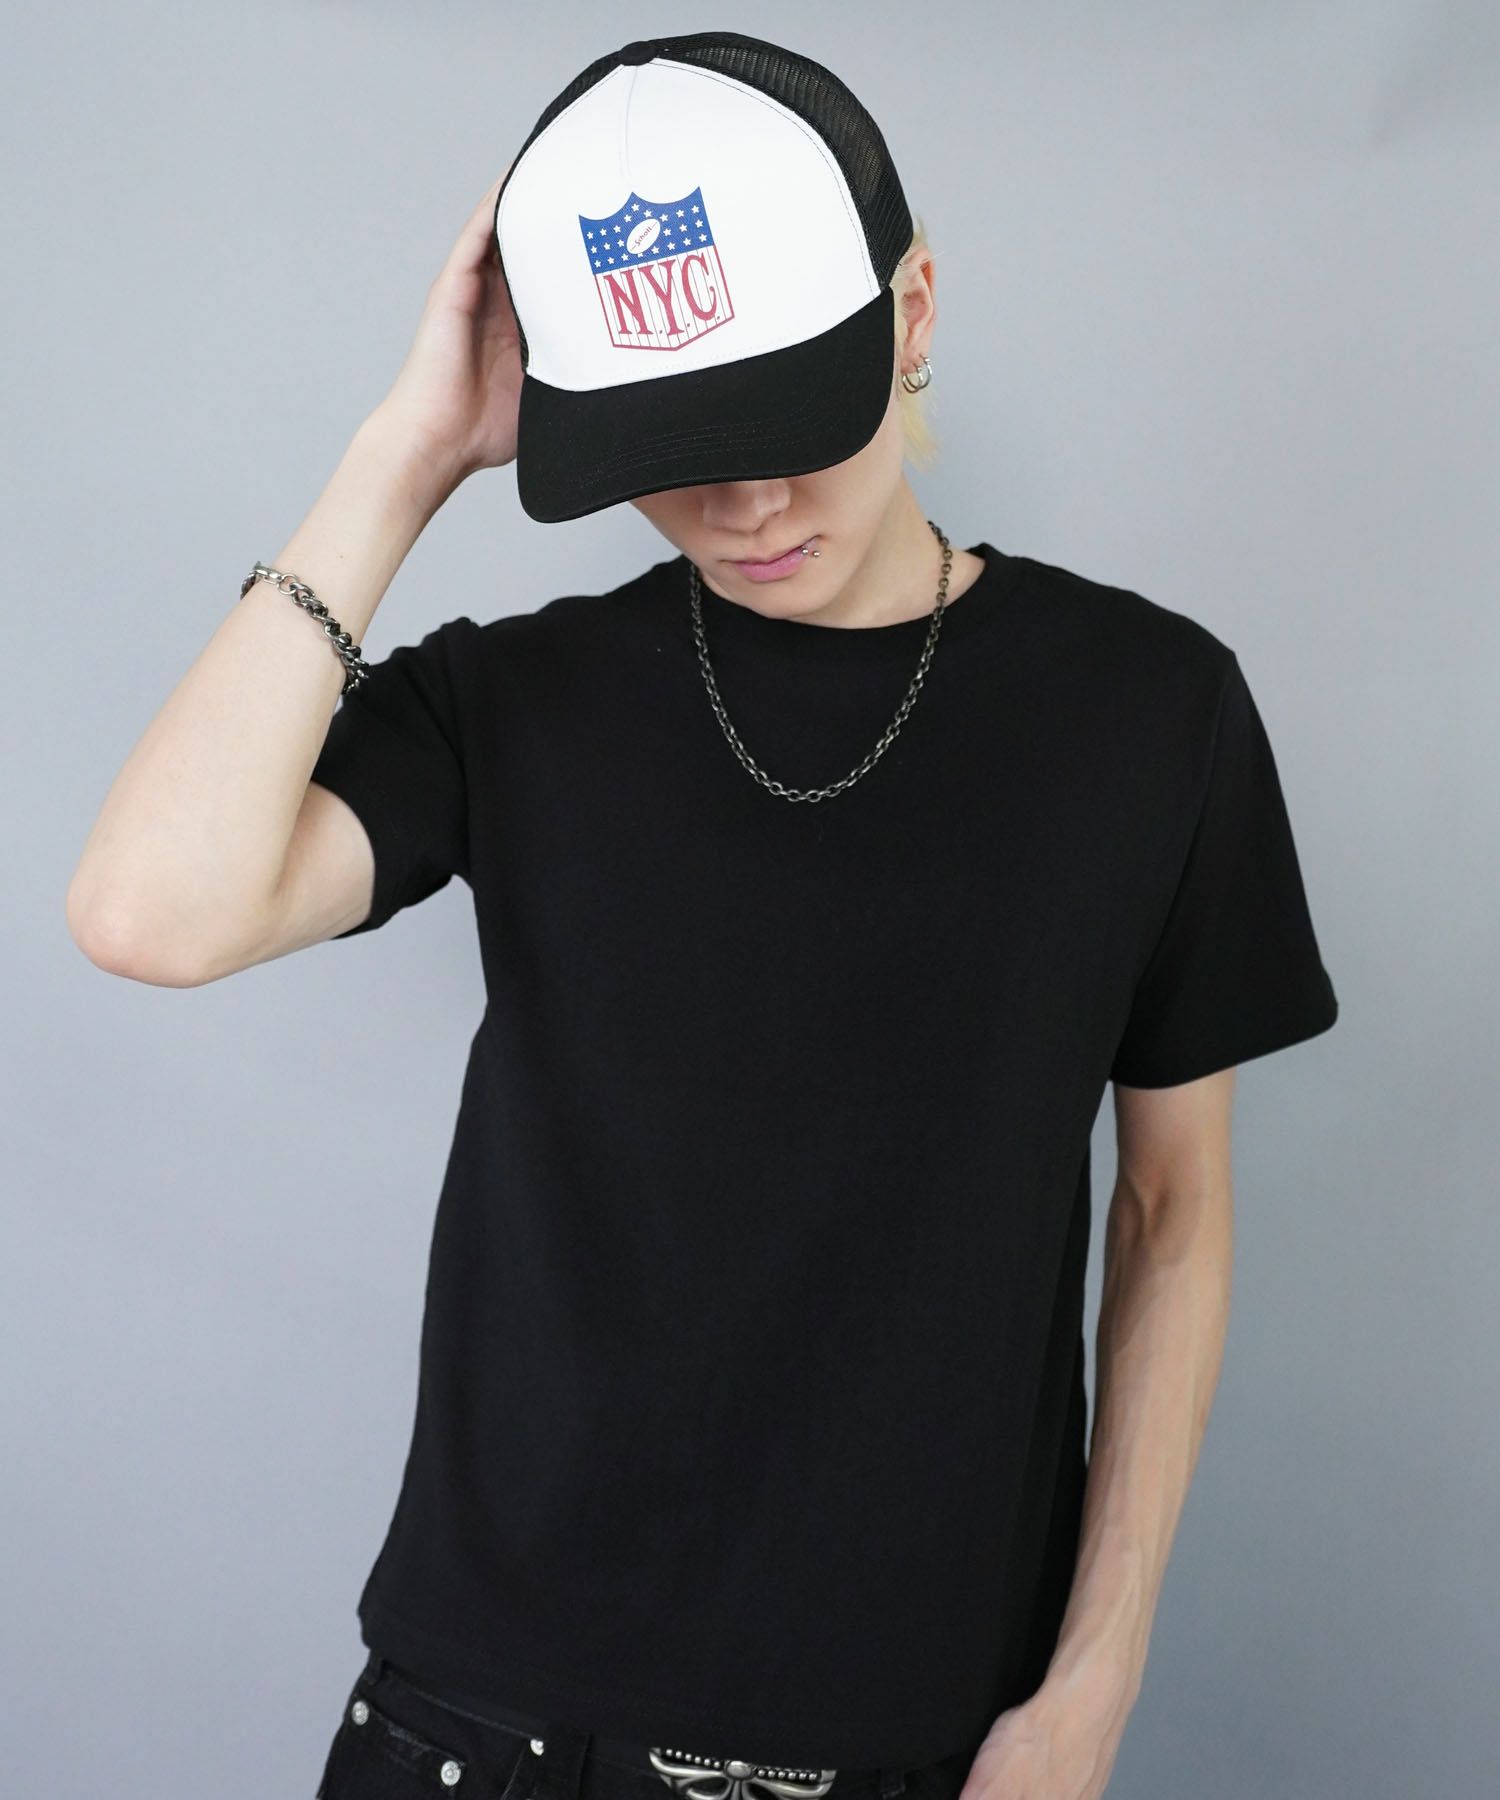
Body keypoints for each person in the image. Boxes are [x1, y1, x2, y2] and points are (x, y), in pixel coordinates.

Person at [66, 33, 1339, 1800]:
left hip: (910, 1737)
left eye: (784, 427)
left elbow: (1173, 1206)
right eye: (672, 449)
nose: (745, 506)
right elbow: (152, 911)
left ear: (911, 313)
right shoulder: (518, 701)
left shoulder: (1148, 712)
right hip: (482, 1723)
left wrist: (1093, 1685)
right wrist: (405, 454)